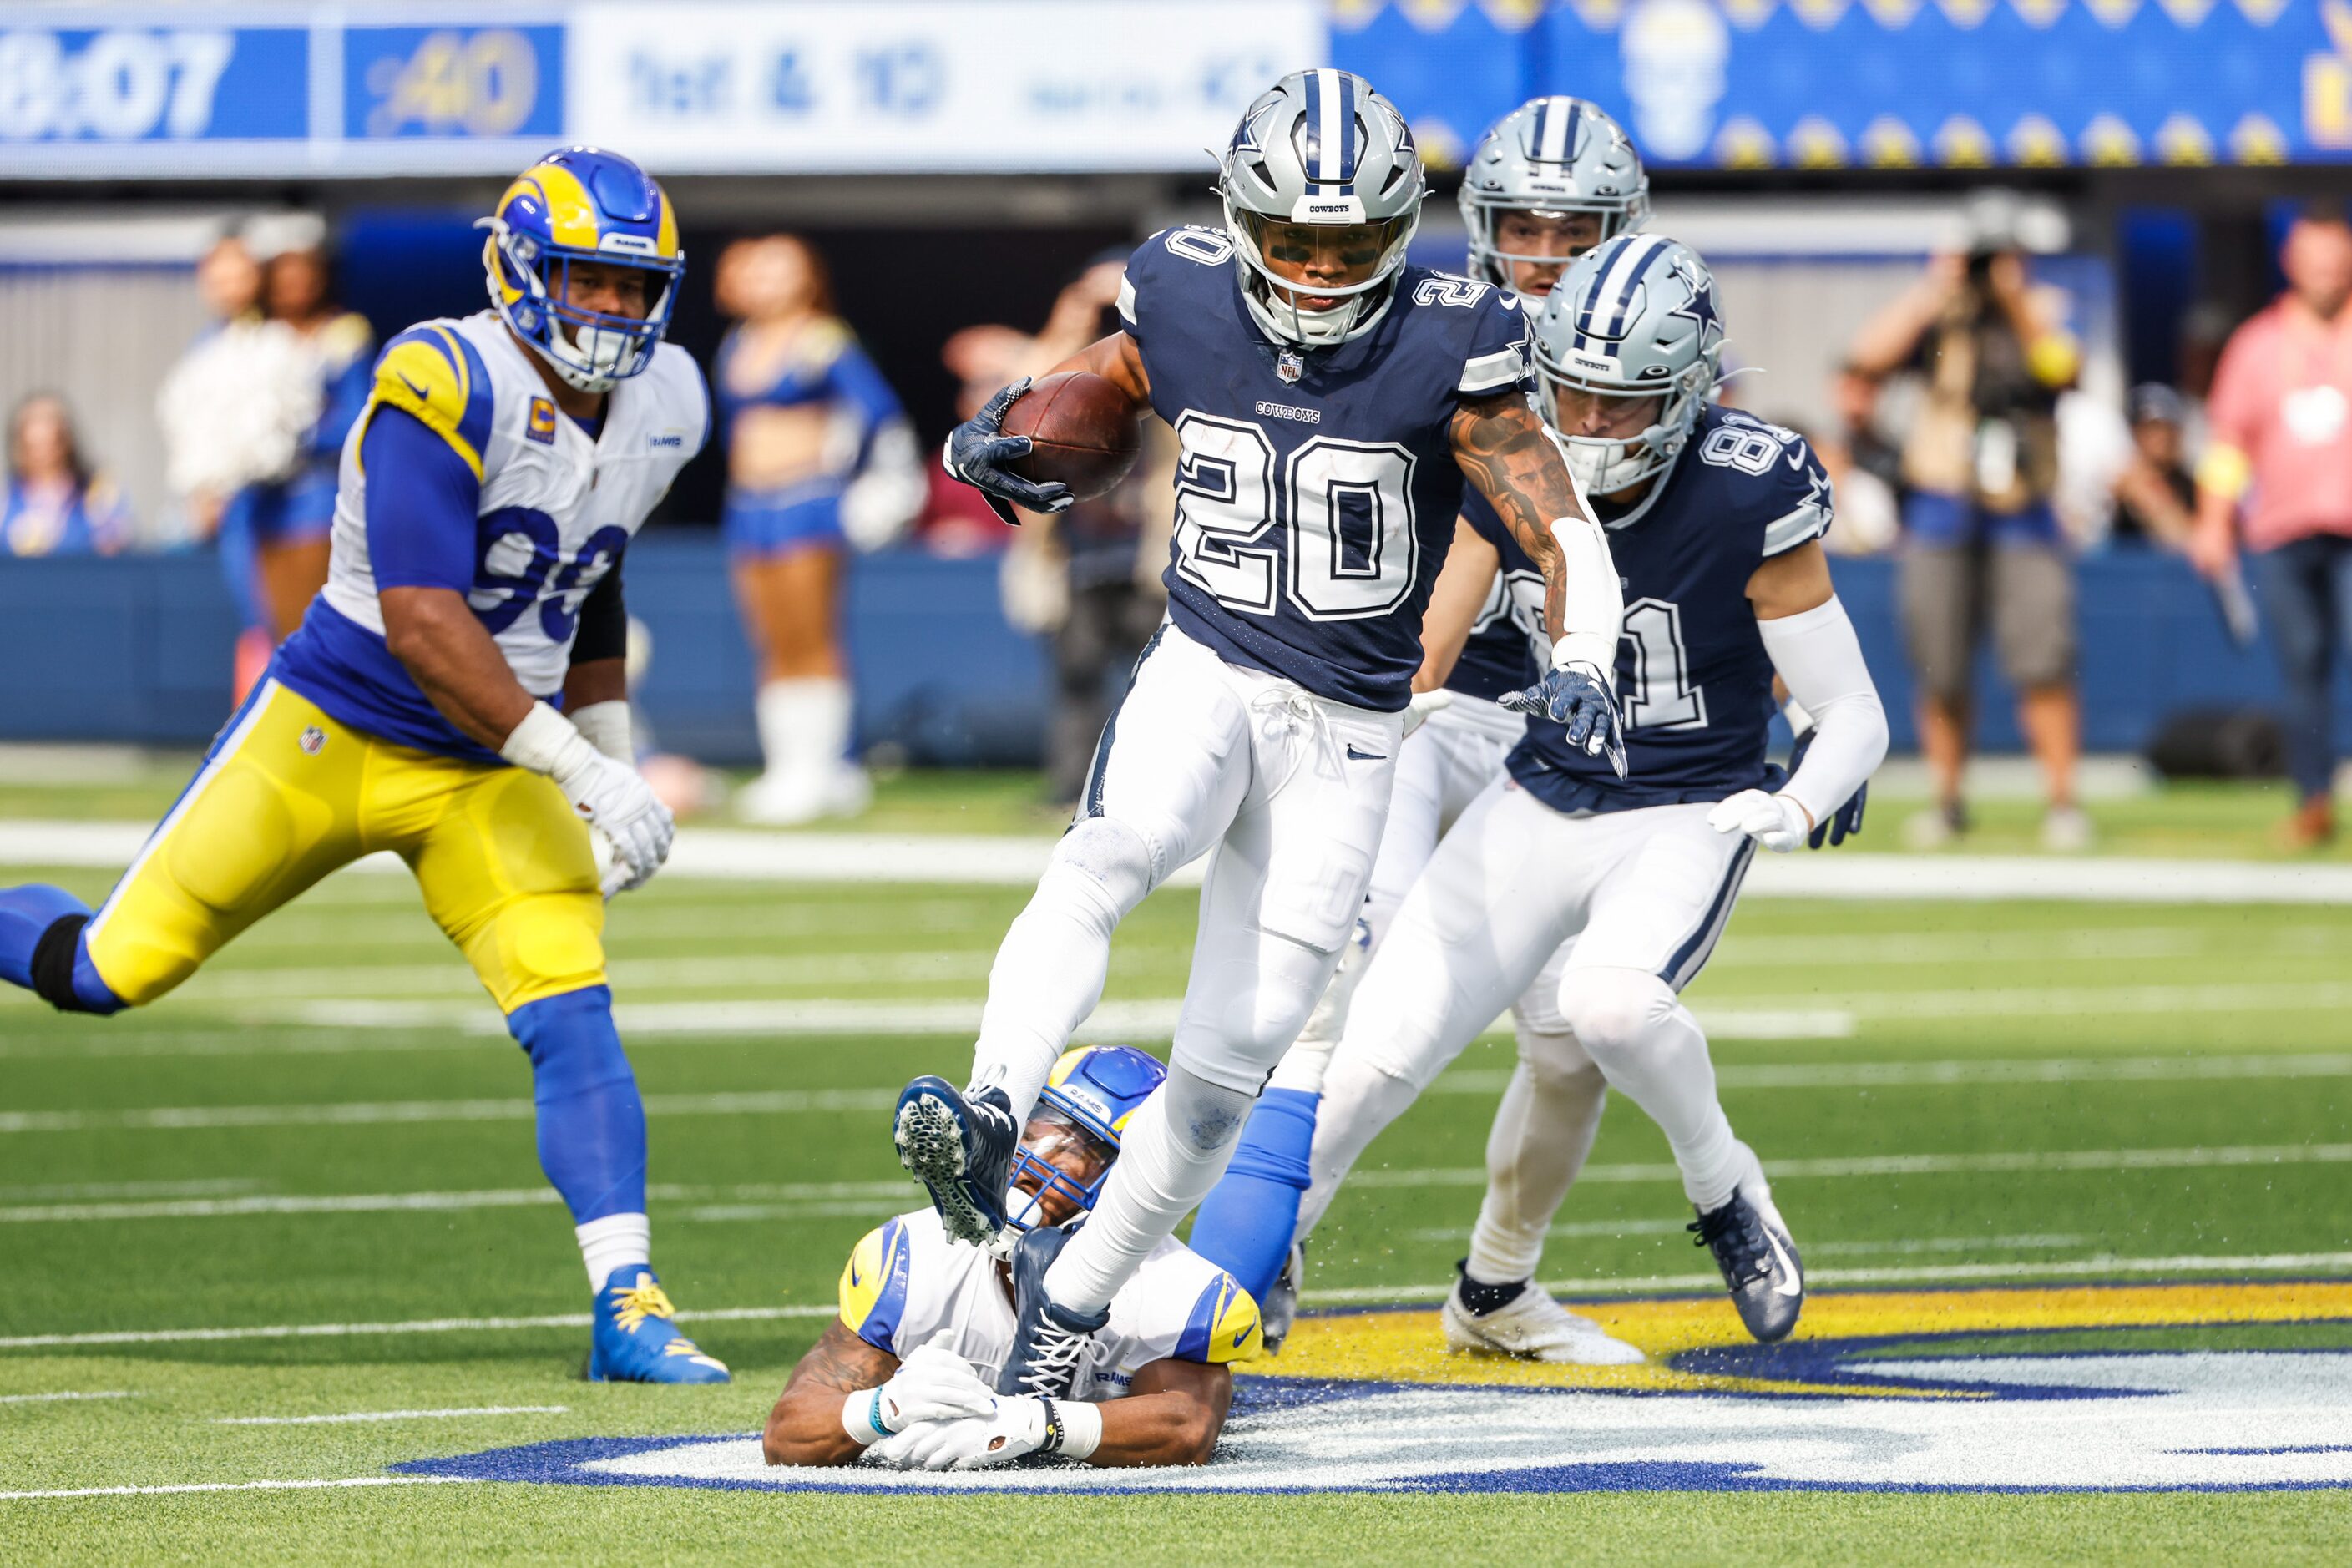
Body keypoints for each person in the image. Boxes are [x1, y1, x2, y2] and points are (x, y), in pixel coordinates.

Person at [890, 68, 1626, 1404]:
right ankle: (996, 1107)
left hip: (1351, 730)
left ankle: (1072, 1303)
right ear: (1239, 218)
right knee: (1109, 851)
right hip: (1210, 665)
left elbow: (1559, 518)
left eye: (1351, 244)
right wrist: (1018, 432)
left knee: (1232, 1071)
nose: (1321, 267)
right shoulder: (1175, 286)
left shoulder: (1452, 333)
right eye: (1292, 239)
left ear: (1403, 229)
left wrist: (1581, 654)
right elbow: (1110, 386)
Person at [0, 148, 726, 1383]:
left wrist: (612, 747)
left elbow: (590, 573)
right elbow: (423, 617)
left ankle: (629, 1300)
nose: (609, 309)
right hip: (333, 732)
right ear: (518, 270)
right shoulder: (443, 375)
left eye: (629, 285)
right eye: (585, 280)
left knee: (574, 1015)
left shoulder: (673, 400)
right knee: (113, 970)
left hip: (487, 768)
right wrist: (584, 768)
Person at [1282, 236, 1888, 1357]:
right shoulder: (1514, 458)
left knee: (1607, 1007)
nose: (1596, 425)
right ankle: (1253, 1262)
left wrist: (1798, 799)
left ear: (1690, 389)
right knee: (1368, 1054)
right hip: (1540, 788)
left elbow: (1853, 710)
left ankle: (1725, 1190)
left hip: (1684, 805)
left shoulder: (1744, 483)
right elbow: (1426, 653)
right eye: (1578, 397)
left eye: (1627, 403)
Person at [1187, 94, 1647, 1317]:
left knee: (1570, 1037)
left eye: (1574, 228)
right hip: (1413, 703)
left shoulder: (1647, 343)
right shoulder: (1431, 325)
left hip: (1558, 729)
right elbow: (1474, 551)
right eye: (1523, 225)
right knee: (1346, 999)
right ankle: (1239, 1271)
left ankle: (1497, 1285)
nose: (1545, 255)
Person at [763, 1045, 1256, 1471]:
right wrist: (881, 1408)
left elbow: (1187, 1429)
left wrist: (1037, 1424)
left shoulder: (1179, 1289)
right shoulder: (910, 1258)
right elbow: (788, 1433)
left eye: (1081, 1152)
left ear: (1135, 1180)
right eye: (1038, 1130)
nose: (1037, 1162)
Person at [1847, 194, 2088, 851]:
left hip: (2022, 505)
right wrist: (1937, 283)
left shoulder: (2041, 313)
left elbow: (2062, 371)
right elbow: (1864, 359)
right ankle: (1948, 799)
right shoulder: (1938, 314)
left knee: (2043, 656)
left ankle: (2062, 803)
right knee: (1940, 662)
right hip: (1942, 501)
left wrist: (2011, 296)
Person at [713, 234, 922, 825]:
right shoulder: (737, 344)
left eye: (781, 270)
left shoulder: (822, 340)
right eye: (756, 270)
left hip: (806, 499)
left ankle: (826, 767)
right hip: (749, 505)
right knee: (770, 639)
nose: (765, 282)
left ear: (807, 279)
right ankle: (786, 764)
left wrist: (882, 484)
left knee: (810, 637)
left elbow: (877, 412)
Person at [2193, 204, 2352, 847]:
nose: (2326, 272)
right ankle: (2312, 799)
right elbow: (2230, 443)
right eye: (2314, 258)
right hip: (2284, 533)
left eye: (2336, 259)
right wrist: (2211, 520)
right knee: (2302, 669)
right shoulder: (2257, 345)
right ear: (2290, 262)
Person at [214, 217, 376, 695]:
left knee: (311, 627)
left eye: (304, 267)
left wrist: (292, 437)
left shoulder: (344, 334)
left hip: (314, 505)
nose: (293, 281)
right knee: (261, 626)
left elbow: (356, 419)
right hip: (250, 509)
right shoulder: (241, 334)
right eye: (281, 268)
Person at [2, 393, 133, 557]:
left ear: (65, 442)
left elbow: (115, 550)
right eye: (32, 447)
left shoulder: (97, 493)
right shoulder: (6, 499)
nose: (41, 455)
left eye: (49, 444)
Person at [2108, 383, 2198, 549]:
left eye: (2168, 427)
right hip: (2127, 571)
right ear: (2134, 432)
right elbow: (2178, 538)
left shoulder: (2189, 484)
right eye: (2151, 427)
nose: (2161, 437)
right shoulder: (2124, 482)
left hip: (2176, 572)